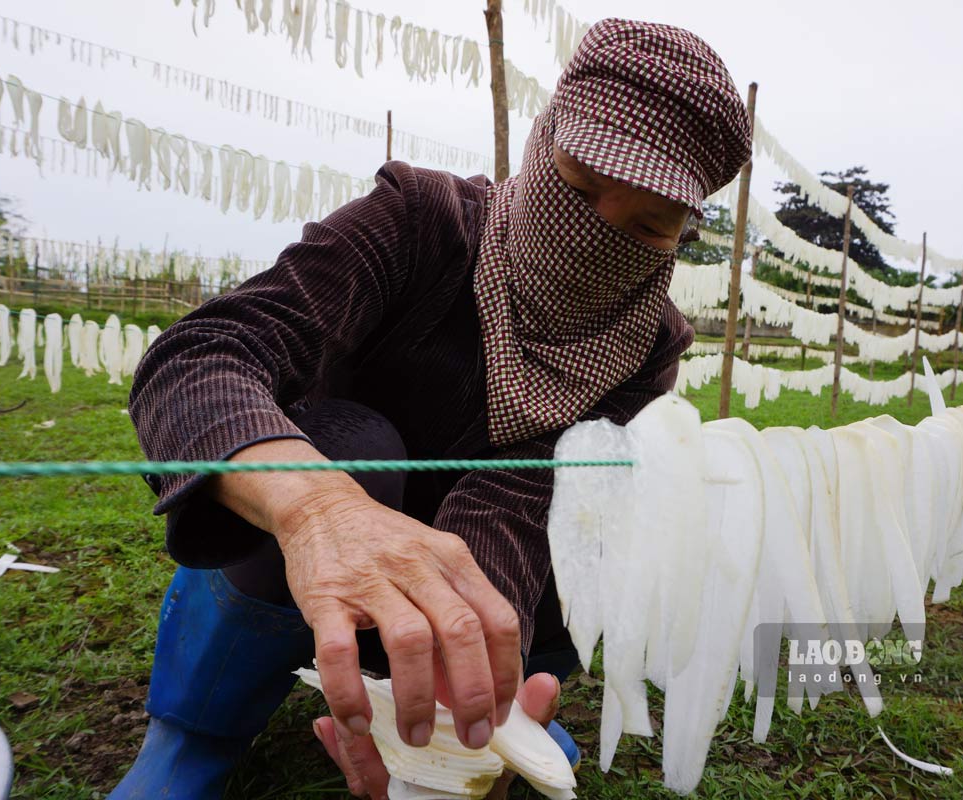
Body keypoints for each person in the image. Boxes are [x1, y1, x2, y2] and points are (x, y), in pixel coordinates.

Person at [109, 17, 751, 800]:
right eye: (578, 186)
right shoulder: (420, 221)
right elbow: (205, 353)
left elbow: (518, 497)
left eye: (647, 223)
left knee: (604, 519)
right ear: (543, 140)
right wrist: (317, 510)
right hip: (317, 536)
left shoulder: (647, 349)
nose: (592, 235)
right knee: (357, 448)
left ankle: (465, 702)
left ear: (684, 232)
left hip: (495, 567)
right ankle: (194, 726)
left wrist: (462, 691)